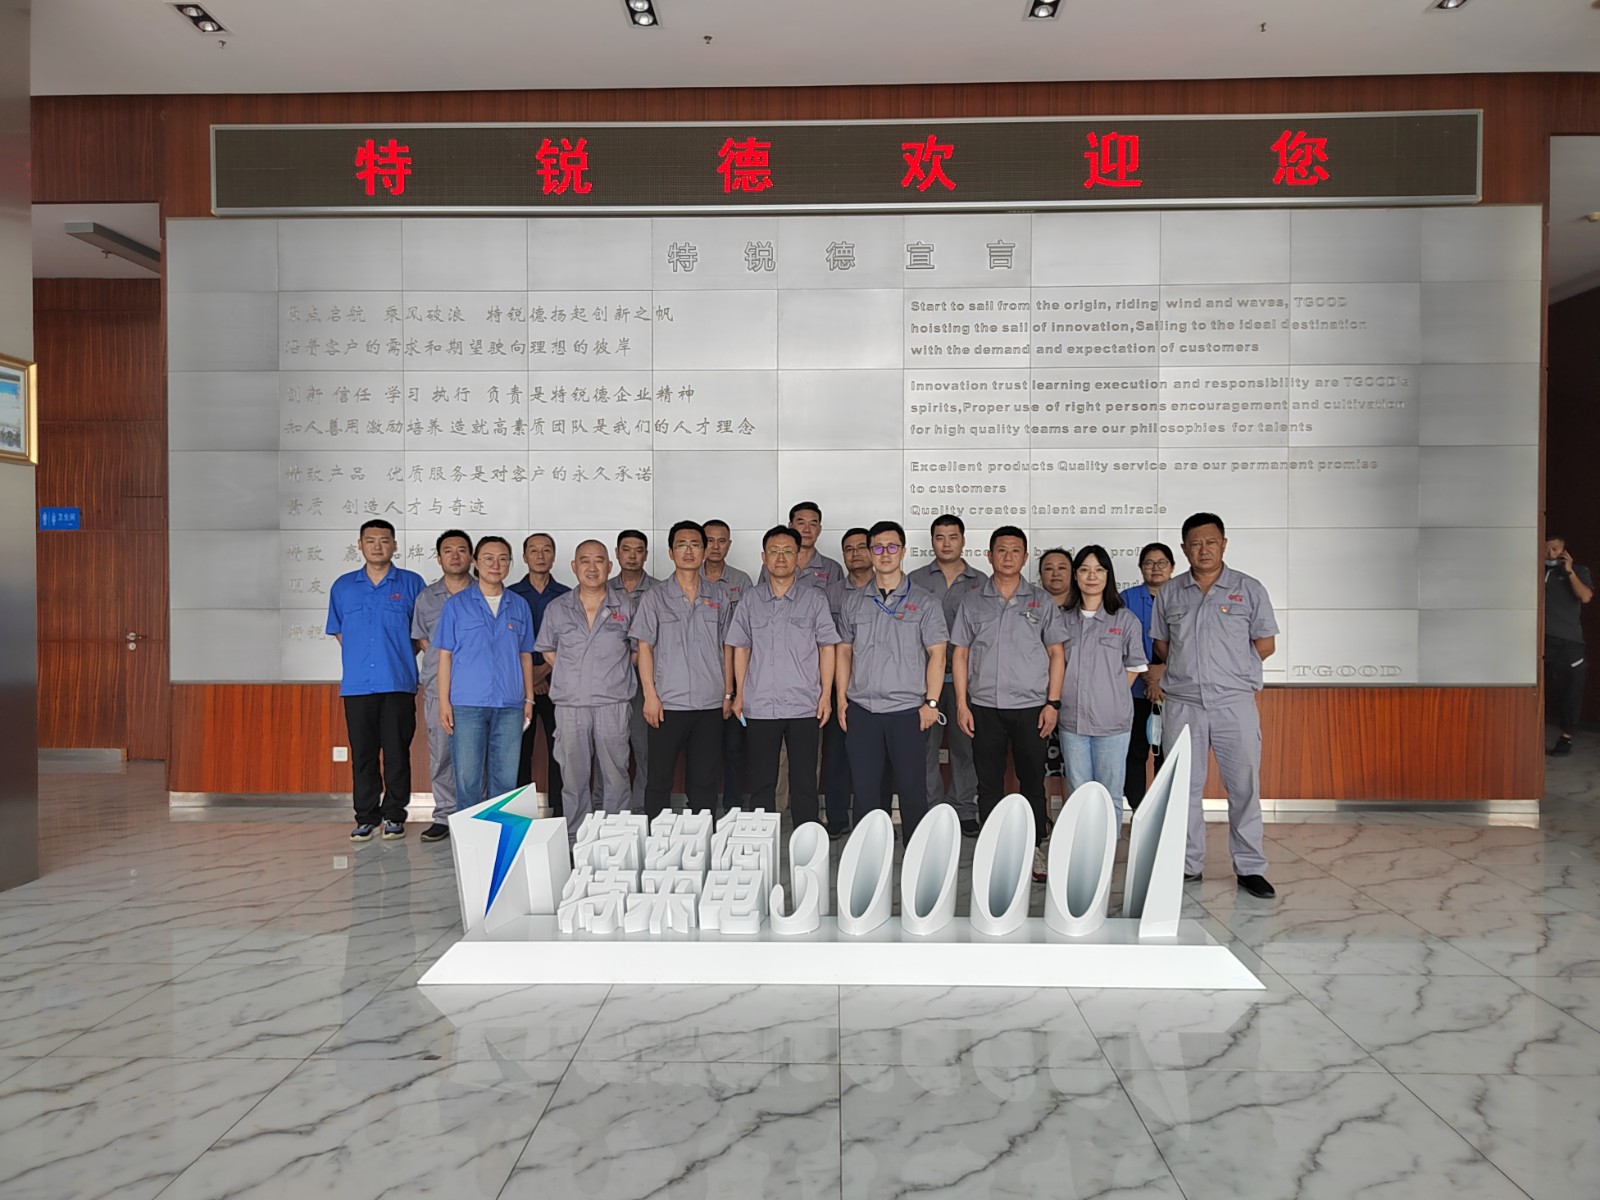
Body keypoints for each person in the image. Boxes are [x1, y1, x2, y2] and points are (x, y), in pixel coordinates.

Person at [1151, 512, 1278, 899]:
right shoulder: (1170, 593)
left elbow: (1265, 644)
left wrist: (1230, 672)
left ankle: (1250, 867)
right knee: (1183, 790)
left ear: (1223, 544)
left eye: (1210, 542)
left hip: (1233, 704)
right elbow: (1163, 646)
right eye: (1195, 543)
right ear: (1184, 548)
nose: (1203, 549)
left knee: (1244, 788)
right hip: (1184, 705)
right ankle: (1188, 864)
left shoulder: (1248, 589)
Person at [950, 526, 1066, 881]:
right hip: (984, 706)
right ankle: (994, 847)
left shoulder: (1041, 602)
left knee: (1032, 781)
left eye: (1015, 550)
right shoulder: (972, 601)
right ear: (989, 556)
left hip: (1032, 707)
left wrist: (1053, 703)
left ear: (1025, 557)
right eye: (1001, 550)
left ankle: (1034, 848)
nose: (1008, 556)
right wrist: (962, 704)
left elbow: (1056, 653)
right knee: (988, 782)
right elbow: (960, 654)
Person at [835, 521, 948, 844]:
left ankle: (916, 854)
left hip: (907, 711)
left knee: (913, 789)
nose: (885, 554)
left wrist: (931, 702)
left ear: (903, 551)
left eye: (892, 547)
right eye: (878, 547)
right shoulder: (854, 602)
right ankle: (870, 854)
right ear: (870, 553)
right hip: (863, 710)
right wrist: (842, 700)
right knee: (866, 790)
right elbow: (843, 652)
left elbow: (937, 654)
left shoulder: (925, 602)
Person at [726, 525, 841, 822]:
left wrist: (825, 695)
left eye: (788, 551)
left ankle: (806, 836)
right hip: (760, 704)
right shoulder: (750, 600)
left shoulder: (814, 600)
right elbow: (741, 648)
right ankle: (763, 837)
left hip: (804, 704)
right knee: (762, 779)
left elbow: (827, 647)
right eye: (774, 551)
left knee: (805, 780)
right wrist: (740, 694)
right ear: (764, 557)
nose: (781, 557)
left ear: (798, 557)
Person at [325, 519, 425, 843]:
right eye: (371, 540)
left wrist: (395, 654)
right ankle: (366, 817)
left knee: (397, 753)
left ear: (395, 544)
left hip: (398, 682)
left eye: (384, 540)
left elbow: (420, 634)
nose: (378, 546)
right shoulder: (343, 586)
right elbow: (341, 633)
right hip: (358, 685)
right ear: (360, 545)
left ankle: (394, 814)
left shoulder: (412, 583)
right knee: (363, 754)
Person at [537, 539, 638, 845]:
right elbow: (548, 650)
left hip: (613, 703)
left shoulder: (626, 606)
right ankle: (576, 837)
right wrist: (575, 673)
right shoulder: (558, 608)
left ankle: (615, 837)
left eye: (598, 561)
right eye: (585, 561)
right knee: (573, 777)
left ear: (610, 566)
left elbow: (637, 651)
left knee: (616, 775)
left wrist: (610, 675)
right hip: (571, 705)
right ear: (574, 566)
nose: (592, 568)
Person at [630, 521, 734, 818]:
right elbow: (645, 647)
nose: (688, 551)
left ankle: (702, 834)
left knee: (704, 779)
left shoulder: (719, 596)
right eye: (681, 545)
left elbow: (728, 647)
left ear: (705, 551)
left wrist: (728, 693)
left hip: (710, 703)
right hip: (667, 703)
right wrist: (650, 696)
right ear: (670, 552)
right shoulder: (655, 597)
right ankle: (656, 835)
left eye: (695, 545)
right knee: (659, 778)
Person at [434, 536, 536, 817]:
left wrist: (529, 698)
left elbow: (525, 655)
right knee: (468, 778)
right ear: (476, 563)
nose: (496, 564)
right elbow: (445, 656)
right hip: (467, 704)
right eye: (488, 558)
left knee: (505, 778)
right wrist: (444, 703)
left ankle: (498, 836)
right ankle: (470, 837)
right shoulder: (457, 605)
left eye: (503, 559)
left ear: (510, 564)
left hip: (510, 704)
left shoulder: (519, 605)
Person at [1058, 546, 1148, 828]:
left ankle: (1107, 847)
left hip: (1112, 722)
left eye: (1098, 570)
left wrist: (1112, 692)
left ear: (1108, 575)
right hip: (1072, 720)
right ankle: (1081, 847)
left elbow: (1134, 666)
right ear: (1076, 575)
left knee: (1110, 792)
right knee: (1078, 791)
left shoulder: (1124, 619)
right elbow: (1052, 664)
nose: (1091, 576)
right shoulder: (1062, 618)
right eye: (1085, 570)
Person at [909, 514, 986, 837]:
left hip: (965, 681)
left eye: (953, 537)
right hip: (923, 681)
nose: (946, 543)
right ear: (932, 541)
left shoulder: (981, 581)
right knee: (924, 748)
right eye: (940, 537)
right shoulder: (914, 579)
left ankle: (964, 808)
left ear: (963, 541)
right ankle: (931, 809)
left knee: (964, 748)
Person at [822, 527, 891, 834]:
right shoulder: (830, 593)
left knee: (880, 760)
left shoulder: (889, 589)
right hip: (840, 686)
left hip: (877, 687)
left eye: (862, 547)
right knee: (837, 755)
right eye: (848, 549)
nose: (855, 554)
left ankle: (879, 821)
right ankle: (837, 818)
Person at [411, 529, 473, 843]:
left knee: (476, 757)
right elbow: (422, 639)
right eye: (448, 550)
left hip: (476, 690)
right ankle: (445, 816)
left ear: (471, 556)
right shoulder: (426, 597)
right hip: (439, 689)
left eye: (461, 550)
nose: (455, 556)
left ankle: (475, 815)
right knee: (442, 755)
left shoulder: (484, 592)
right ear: (439, 558)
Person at [509, 532, 570, 815]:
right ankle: (520, 812)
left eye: (546, 550)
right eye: (534, 550)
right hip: (519, 689)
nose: (540, 555)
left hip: (559, 685)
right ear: (524, 557)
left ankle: (561, 809)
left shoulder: (568, 596)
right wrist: (529, 680)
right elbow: (505, 644)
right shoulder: (510, 595)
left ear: (554, 556)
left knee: (562, 750)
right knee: (518, 751)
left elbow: (570, 642)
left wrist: (542, 672)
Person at [703, 518, 754, 809]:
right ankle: (703, 807)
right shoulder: (688, 579)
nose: (715, 546)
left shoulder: (741, 581)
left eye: (721, 541)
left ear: (729, 545)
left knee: (735, 746)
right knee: (705, 749)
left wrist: (735, 690)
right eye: (709, 540)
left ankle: (734, 806)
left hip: (735, 675)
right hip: (701, 676)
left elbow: (747, 634)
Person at [1120, 542, 1173, 809]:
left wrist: (1163, 673)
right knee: (1135, 752)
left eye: (1162, 563)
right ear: (1141, 567)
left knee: (1168, 752)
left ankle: (1164, 810)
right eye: (1149, 563)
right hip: (1134, 689)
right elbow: (1119, 642)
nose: (1155, 568)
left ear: (1172, 567)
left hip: (1174, 689)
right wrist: (1149, 676)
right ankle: (1138, 809)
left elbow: (1193, 643)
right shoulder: (1126, 599)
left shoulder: (1183, 597)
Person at [610, 529, 657, 809]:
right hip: (609, 686)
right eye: (626, 549)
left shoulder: (660, 591)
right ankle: (612, 809)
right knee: (610, 750)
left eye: (638, 550)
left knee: (645, 749)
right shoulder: (601, 589)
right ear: (617, 553)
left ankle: (641, 807)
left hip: (645, 684)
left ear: (646, 555)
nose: (632, 555)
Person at [1545, 534, 1593, 756]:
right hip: (1538, 640)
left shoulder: (1579, 571)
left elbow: (1585, 597)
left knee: (1570, 689)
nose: (1551, 553)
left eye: (1555, 549)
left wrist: (1569, 571)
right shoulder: (1535, 572)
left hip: (1568, 641)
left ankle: (1566, 736)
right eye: (1546, 548)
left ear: (1564, 550)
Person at [1038, 547, 1075, 789]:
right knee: (1041, 763)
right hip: (1040, 697)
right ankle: (1046, 811)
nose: (1055, 574)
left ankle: (1071, 812)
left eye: (1062, 568)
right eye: (1048, 569)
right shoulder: (1033, 608)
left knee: (1074, 767)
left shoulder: (1084, 609)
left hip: (1076, 697)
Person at [764, 501, 844, 593]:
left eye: (813, 524)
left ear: (819, 529)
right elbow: (761, 597)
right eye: (801, 523)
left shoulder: (832, 568)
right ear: (790, 526)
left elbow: (837, 600)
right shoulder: (773, 563)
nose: (807, 530)